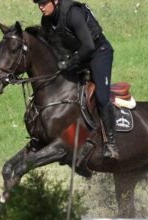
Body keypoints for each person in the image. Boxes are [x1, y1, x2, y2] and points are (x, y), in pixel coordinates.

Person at [33, 0, 119, 160]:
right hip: (78, 57)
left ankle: (111, 143)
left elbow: (88, 46)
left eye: (44, 2)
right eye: (38, 3)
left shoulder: (73, 14)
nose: (41, 6)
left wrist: (69, 63)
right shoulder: (46, 21)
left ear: (56, 1)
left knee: (100, 96)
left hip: (98, 53)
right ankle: (78, 142)